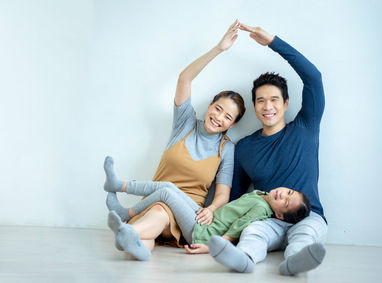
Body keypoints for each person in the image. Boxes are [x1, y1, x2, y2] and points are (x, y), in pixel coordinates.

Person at [103, 20, 246, 261]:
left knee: (166, 201)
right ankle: (133, 239)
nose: (219, 117)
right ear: (210, 105)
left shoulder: (226, 148)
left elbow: (222, 195)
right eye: (218, 108)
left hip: (188, 214)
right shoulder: (185, 124)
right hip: (152, 204)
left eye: (228, 117)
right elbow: (184, 79)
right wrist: (218, 49)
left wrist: (210, 210)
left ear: (232, 125)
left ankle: (126, 222)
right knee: (154, 220)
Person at [207, 23, 327, 275]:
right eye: (260, 100)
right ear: (254, 106)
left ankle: (295, 263)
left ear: (286, 103)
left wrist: (273, 42)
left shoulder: (305, 127)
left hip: (308, 215)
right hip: (265, 219)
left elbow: (314, 77)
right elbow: (235, 200)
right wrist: (217, 233)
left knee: (306, 235)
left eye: (274, 99)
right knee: (252, 234)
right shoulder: (245, 147)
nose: (267, 106)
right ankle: (243, 259)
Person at [105, 175, 311, 255]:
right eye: (289, 192)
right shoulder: (261, 195)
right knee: (169, 185)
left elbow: (237, 228)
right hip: (203, 218)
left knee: (166, 193)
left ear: (279, 215)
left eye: (286, 203)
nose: (283, 195)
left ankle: (126, 213)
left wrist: (210, 246)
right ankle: (120, 186)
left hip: (201, 231)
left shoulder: (262, 209)